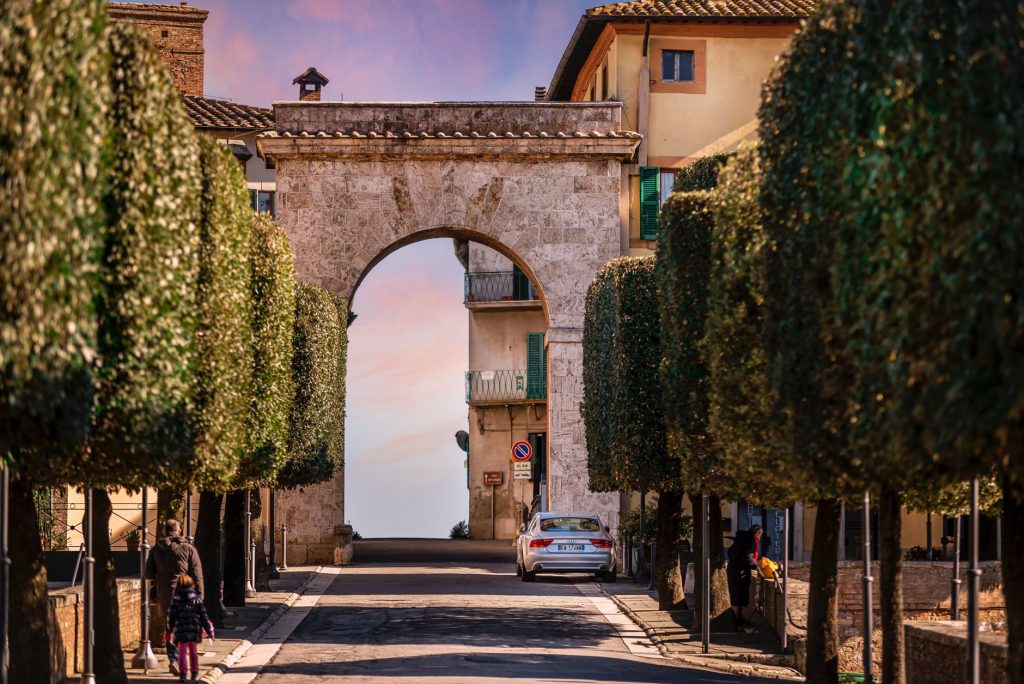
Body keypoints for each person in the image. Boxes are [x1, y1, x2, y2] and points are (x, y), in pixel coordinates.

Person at [145, 519, 204, 675]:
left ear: (164, 531)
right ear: (179, 531)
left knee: (170, 626)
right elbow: (198, 576)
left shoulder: (156, 550)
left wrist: (153, 594)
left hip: (164, 592)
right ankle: (180, 659)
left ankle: (173, 659)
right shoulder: (189, 549)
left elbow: (149, 575)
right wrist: (200, 596)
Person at [166, 573, 214, 682]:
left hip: (180, 629)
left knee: (182, 652)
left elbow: (171, 615)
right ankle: (194, 673)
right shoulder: (196, 598)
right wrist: (208, 630)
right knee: (193, 652)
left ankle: (183, 675)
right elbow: (203, 615)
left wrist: (171, 629)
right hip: (194, 628)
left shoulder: (175, 598)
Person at [726, 524, 762, 632]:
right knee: (739, 596)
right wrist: (755, 566)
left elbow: (731, 553)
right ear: (757, 533)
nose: (760, 537)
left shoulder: (740, 540)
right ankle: (737, 622)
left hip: (733, 569)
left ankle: (738, 620)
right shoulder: (750, 541)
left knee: (736, 596)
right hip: (740, 572)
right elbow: (748, 556)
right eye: (760, 534)